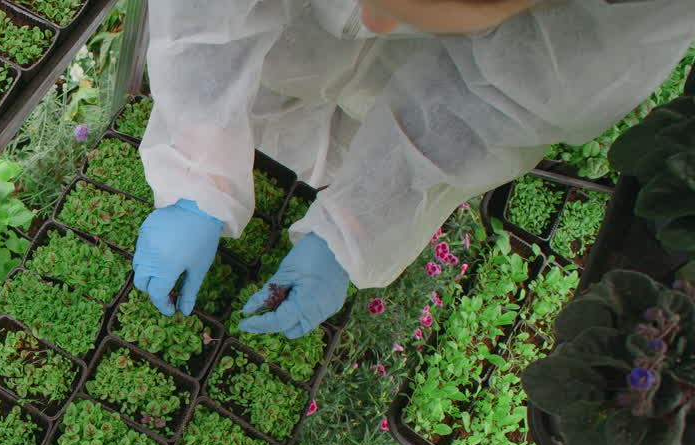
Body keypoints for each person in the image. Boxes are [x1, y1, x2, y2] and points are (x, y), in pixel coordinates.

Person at [131, 0, 694, 338]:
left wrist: (355, 228)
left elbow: (506, 100)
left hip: (421, 70)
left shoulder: (619, 16)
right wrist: (197, 163)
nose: (371, 15)